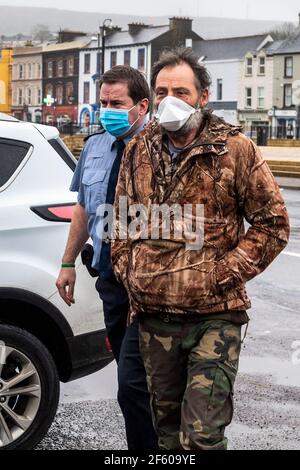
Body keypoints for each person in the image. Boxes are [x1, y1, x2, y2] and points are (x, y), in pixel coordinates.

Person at [111, 49, 290, 450]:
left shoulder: (236, 151)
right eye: (161, 90)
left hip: (215, 318)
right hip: (155, 318)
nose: (169, 99)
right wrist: (132, 273)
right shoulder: (138, 150)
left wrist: (220, 275)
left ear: (203, 97)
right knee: (168, 436)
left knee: (202, 438)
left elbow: (273, 224)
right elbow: (120, 224)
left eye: (181, 90)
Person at [56, 66, 158, 451]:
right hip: (110, 283)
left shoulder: (160, 149)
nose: (107, 110)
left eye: (117, 103)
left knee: (134, 385)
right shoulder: (95, 146)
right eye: (103, 103)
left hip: (149, 286)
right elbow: (83, 207)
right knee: (135, 382)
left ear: (142, 106)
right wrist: (67, 263)